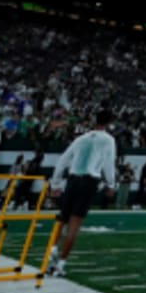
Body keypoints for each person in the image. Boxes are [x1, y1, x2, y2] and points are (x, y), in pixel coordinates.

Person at [46, 108, 117, 279]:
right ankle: (61, 263)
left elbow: (63, 159)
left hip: (72, 179)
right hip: (89, 181)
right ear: (108, 123)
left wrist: (55, 183)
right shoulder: (108, 139)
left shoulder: (81, 138)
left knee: (62, 219)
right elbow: (109, 163)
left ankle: (52, 251)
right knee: (74, 224)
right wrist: (111, 184)